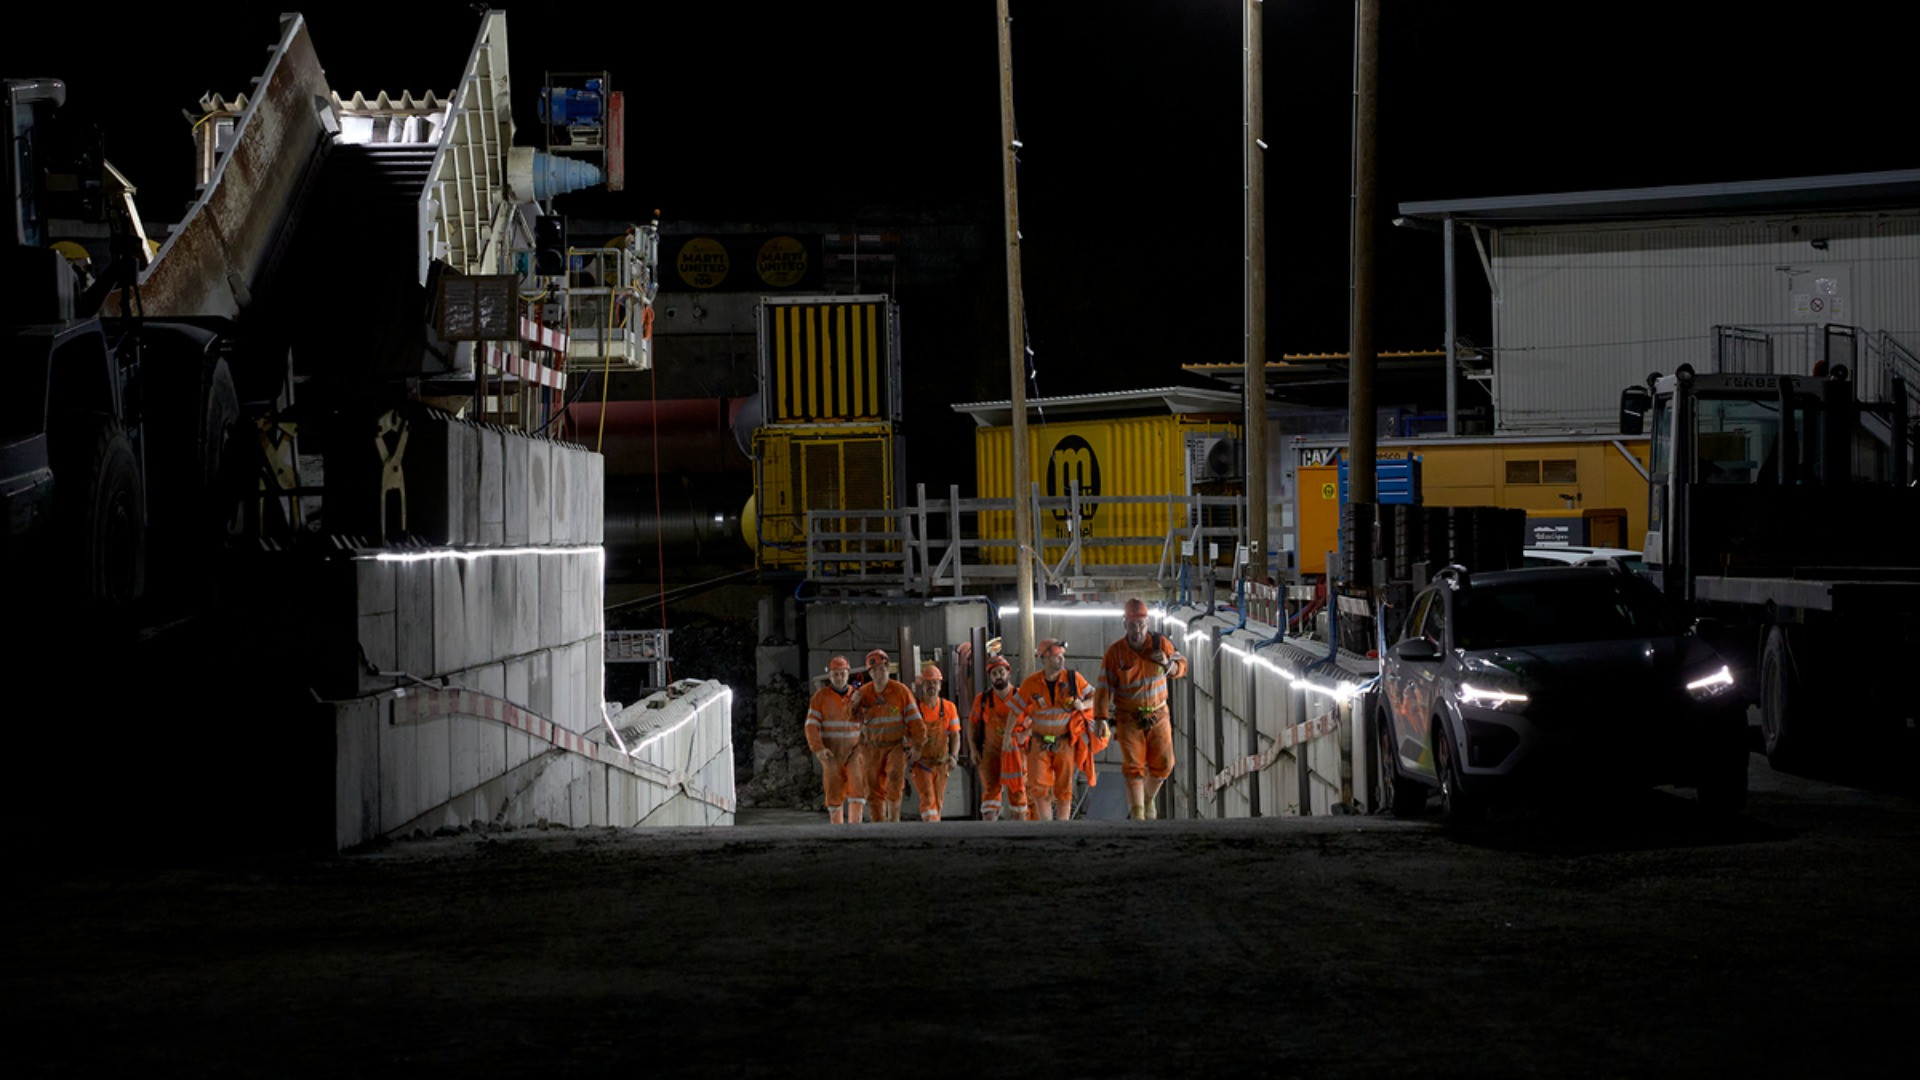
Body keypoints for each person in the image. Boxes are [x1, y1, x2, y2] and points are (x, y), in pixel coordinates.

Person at [1095, 598, 1188, 820]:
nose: (1137, 630)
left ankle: (1147, 799)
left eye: (1141, 625)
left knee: (1165, 764)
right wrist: (1100, 718)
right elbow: (1103, 688)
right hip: (1129, 718)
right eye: (1132, 625)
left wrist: (1168, 664)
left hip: (1158, 714)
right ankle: (1137, 814)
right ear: (1124, 624)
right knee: (1134, 766)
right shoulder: (1115, 653)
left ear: (1147, 623)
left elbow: (1182, 667)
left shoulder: (1161, 644)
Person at [1012, 639, 1094, 821]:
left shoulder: (1073, 679)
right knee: (1039, 789)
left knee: (1064, 790)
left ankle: (1062, 829)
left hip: (1064, 743)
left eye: (1062, 656)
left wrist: (1083, 704)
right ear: (1044, 658)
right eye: (1057, 656)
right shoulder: (1031, 683)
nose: (1061, 660)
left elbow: (1096, 697)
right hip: (1039, 743)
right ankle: (1047, 828)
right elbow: (1015, 708)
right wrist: (1008, 738)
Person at [853, 648, 921, 823]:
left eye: (883, 668)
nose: (879, 673)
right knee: (872, 786)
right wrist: (852, 706)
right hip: (870, 748)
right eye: (875, 670)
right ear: (870, 673)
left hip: (895, 746)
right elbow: (850, 718)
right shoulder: (863, 694)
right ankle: (878, 825)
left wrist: (918, 745)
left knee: (894, 780)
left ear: (888, 668)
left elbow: (915, 720)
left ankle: (894, 822)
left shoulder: (901, 691)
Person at [803, 656, 866, 824]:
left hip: (854, 751)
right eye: (835, 674)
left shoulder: (857, 696)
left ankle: (856, 829)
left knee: (857, 787)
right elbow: (811, 726)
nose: (839, 677)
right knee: (833, 791)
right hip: (831, 752)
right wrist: (818, 748)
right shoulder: (820, 698)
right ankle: (836, 831)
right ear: (830, 675)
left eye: (842, 673)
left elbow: (868, 722)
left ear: (848, 673)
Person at [968, 653, 1028, 821]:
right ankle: (990, 835)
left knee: (1018, 791)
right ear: (990, 677)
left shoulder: (1021, 695)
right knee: (990, 791)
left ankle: (1021, 836)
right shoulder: (983, 699)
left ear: (1008, 673)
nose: (998, 676)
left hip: (1016, 753)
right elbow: (972, 725)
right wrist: (973, 749)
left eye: (1001, 672)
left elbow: (1035, 719)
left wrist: (1025, 734)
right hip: (991, 752)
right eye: (994, 673)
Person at [907, 661, 961, 822]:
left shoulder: (949, 707)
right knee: (928, 797)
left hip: (941, 763)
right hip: (921, 763)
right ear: (922, 685)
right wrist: (912, 750)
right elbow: (906, 735)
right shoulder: (914, 708)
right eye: (928, 683)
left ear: (940, 685)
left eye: (934, 683)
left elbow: (955, 735)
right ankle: (930, 829)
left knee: (938, 800)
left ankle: (934, 828)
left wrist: (954, 756)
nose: (931, 686)